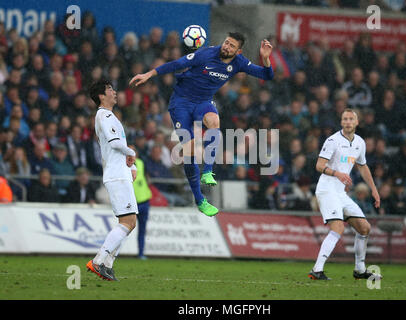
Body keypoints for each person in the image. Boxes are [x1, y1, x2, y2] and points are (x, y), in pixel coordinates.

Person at [129, 32, 274, 216]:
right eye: (226, 42)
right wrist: (150, 74)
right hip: (180, 103)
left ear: (238, 51)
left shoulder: (239, 63)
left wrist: (266, 59)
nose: (226, 47)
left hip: (203, 102)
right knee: (189, 152)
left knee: (214, 121)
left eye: (231, 46)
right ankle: (200, 200)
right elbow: (177, 64)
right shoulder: (205, 54)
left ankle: (208, 171)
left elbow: (267, 75)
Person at [309, 108, 382, 281]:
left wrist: (374, 189)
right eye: (345, 119)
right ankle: (316, 270)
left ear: (357, 122)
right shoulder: (332, 140)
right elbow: (319, 165)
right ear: (341, 122)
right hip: (327, 190)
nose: (348, 122)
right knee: (338, 227)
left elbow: (362, 166)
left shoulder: (360, 143)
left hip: (340, 193)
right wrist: (337, 174)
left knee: (364, 228)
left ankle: (360, 270)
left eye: (351, 119)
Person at [86, 80, 138, 281]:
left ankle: (107, 264)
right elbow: (115, 143)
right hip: (116, 175)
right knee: (127, 221)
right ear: (101, 96)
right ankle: (99, 261)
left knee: (129, 222)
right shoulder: (104, 115)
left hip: (120, 173)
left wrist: (131, 166)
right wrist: (132, 152)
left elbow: (118, 148)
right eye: (110, 89)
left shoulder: (110, 116)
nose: (115, 92)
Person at [130, 145, 152, 260]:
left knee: (142, 229)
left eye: (134, 151)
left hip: (144, 201)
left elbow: (145, 178)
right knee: (125, 229)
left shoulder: (141, 163)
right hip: (131, 203)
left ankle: (141, 253)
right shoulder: (122, 165)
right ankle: (114, 253)